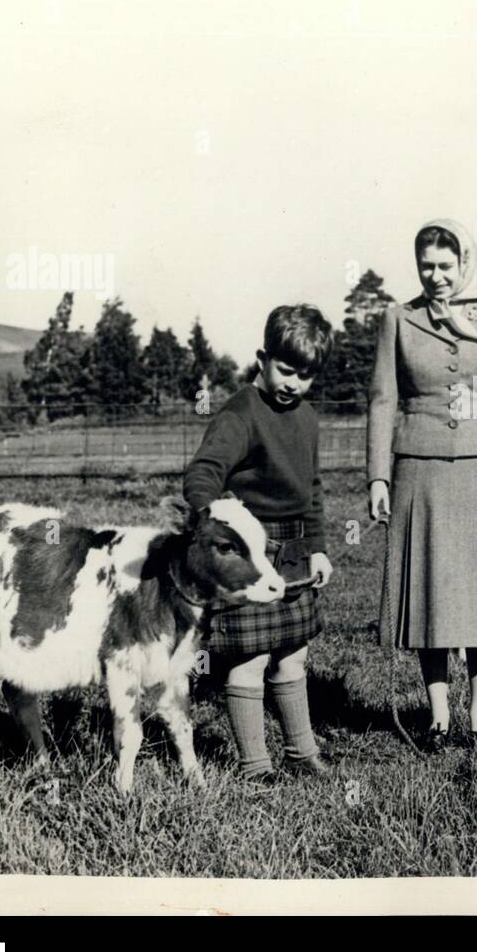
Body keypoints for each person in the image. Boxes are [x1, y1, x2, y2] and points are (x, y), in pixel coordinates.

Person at [367, 219, 477, 751]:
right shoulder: (398, 319)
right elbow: (382, 401)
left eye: (445, 265)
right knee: (429, 595)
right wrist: (377, 476)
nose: (435, 276)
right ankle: (437, 717)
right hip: (419, 470)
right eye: (426, 266)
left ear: (464, 265)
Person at [183, 305, 335, 779]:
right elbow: (203, 472)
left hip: (293, 554)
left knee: (293, 652)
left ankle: (301, 752)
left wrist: (319, 547)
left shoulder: (307, 418)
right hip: (252, 553)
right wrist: (214, 516)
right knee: (249, 658)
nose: (293, 383)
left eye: (305, 375)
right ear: (262, 359)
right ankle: (254, 765)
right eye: (285, 370)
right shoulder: (239, 414)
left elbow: (311, 489)